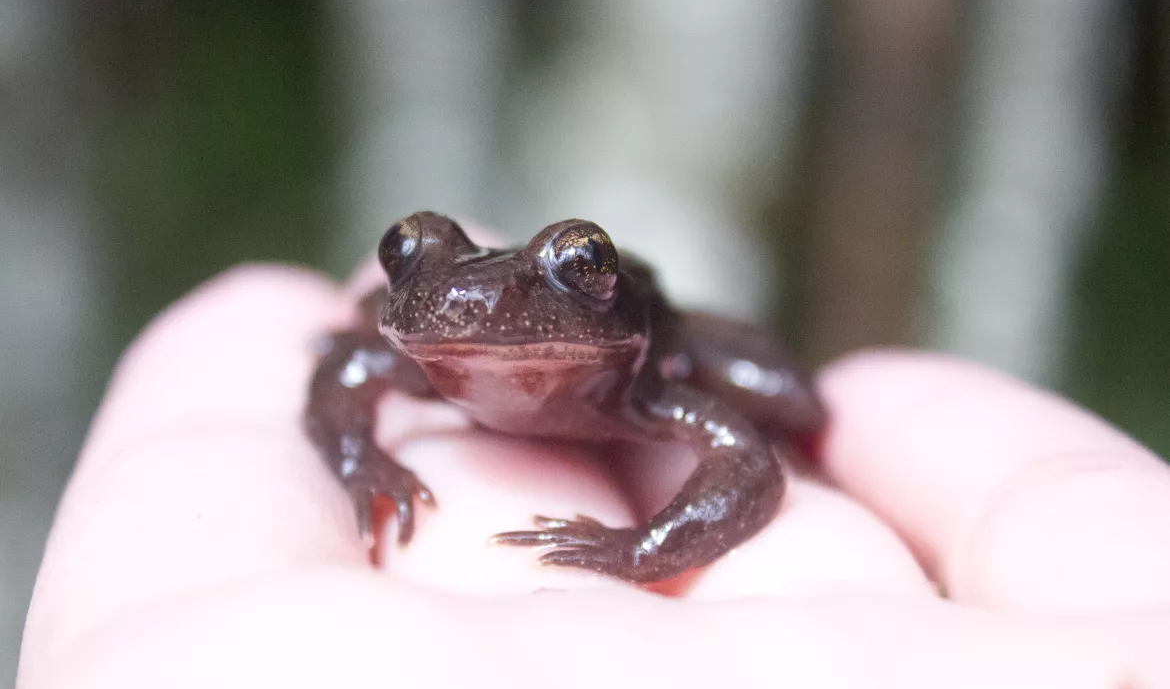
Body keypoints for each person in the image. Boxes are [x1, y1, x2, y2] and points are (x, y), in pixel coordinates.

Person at [17, 263, 1170, 687]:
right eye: (408, 260)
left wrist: (640, 552)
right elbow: (353, 372)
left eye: (571, 272)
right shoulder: (414, 353)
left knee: (797, 401)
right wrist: (357, 452)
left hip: (658, 330)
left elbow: (750, 464)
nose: (472, 304)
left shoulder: (648, 382)